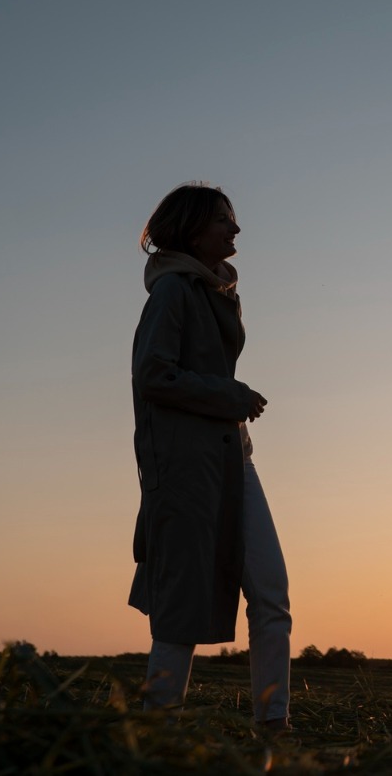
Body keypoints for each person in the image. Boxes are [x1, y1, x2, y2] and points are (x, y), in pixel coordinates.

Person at [128, 183, 292, 734]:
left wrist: (230, 405)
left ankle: (274, 726)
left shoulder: (212, 291)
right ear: (193, 228)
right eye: (225, 220)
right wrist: (231, 396)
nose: (236, 229)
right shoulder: (173, 292)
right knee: (182, 602)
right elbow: (153, 375)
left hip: (233, 460)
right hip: (187, 468)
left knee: (271, 593)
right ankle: (157, 732)